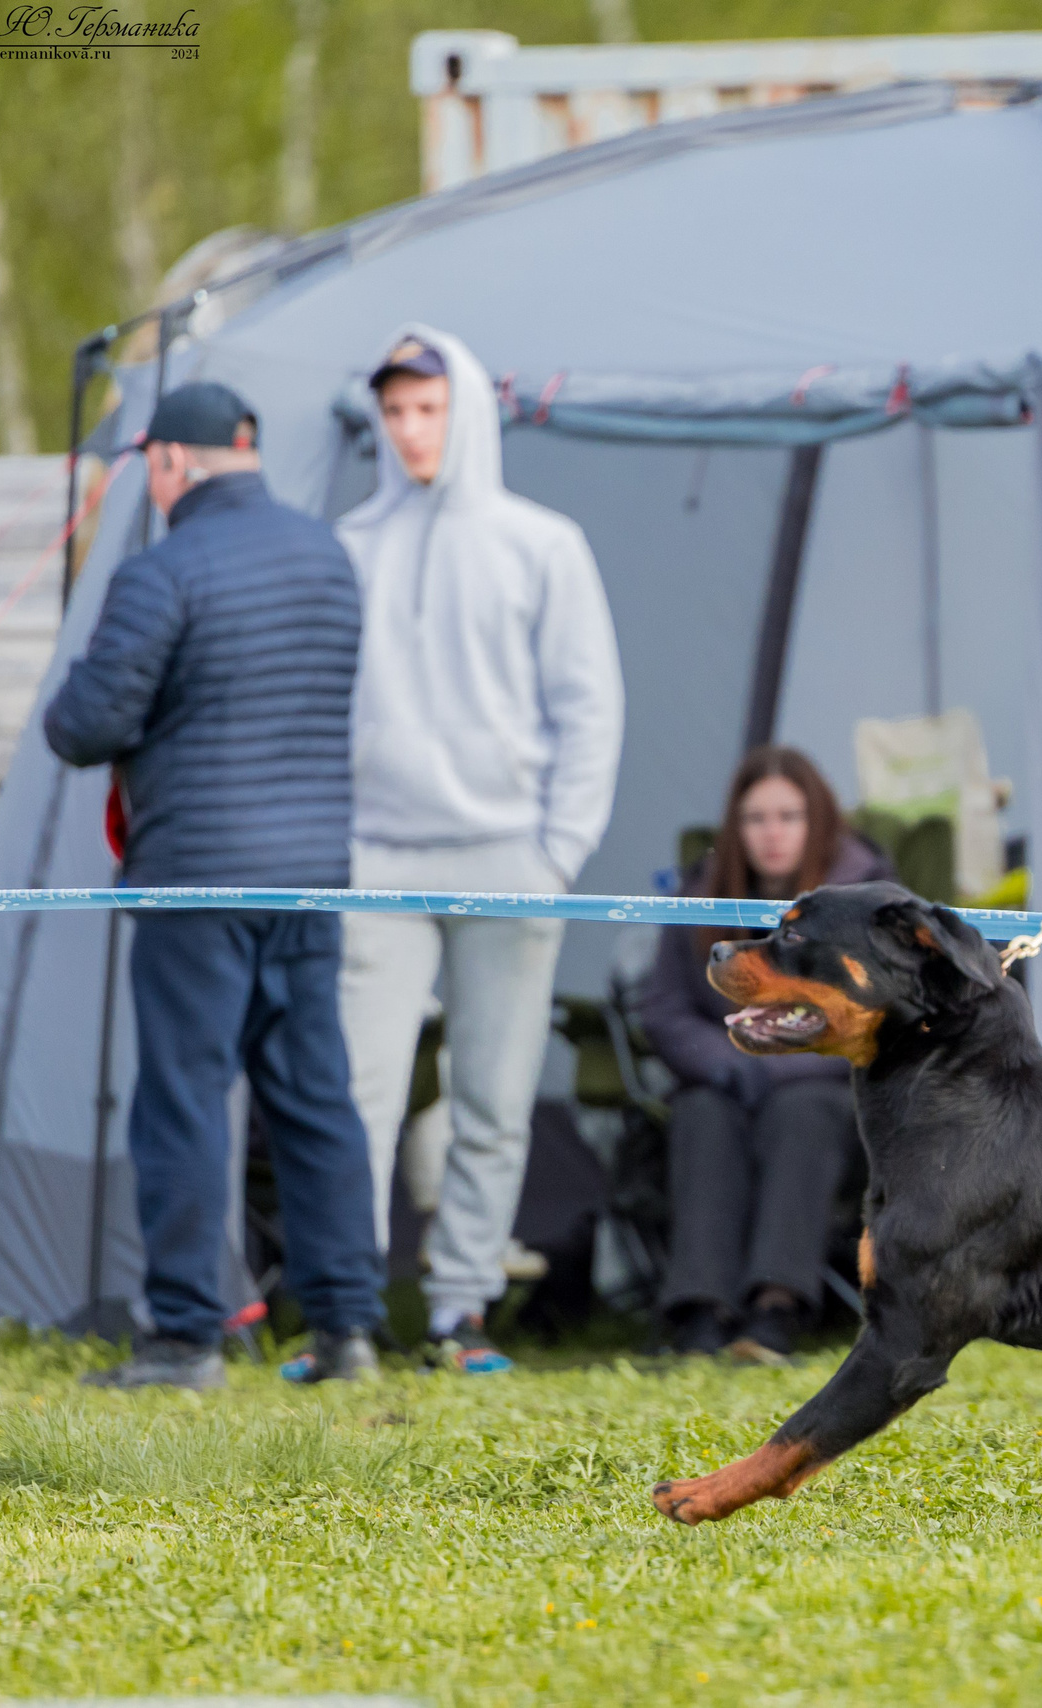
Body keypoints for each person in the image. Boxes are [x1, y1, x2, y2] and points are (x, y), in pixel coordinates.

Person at [44, 381, 384, 1389]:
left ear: (172, 461)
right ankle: (347, 1331)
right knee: (316, 1097)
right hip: (313, 874)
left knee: (186, 1098)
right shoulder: (328, 556)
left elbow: (85, 725)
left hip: (198, 876)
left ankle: (186, 1338)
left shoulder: (163, 569)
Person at [334, 327, 625, 1375]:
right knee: (356, 1094)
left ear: (467, 412)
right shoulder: (351, 543)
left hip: (510, 859)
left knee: (494, 1097)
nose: (412, 430)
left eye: (429, 408)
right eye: (396, 411)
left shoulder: (540, 544)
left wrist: (557, 851)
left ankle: (460, 1312)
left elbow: (590, 706)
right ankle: (348, 1311)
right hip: (377, 864)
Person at [637, 747, 891, 1359]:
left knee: (802, 1111)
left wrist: (773, 1056)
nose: (772, 834)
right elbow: (664, 1008)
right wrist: (727, 1060)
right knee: (702, 1112)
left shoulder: (867, 895)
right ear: (735, 828)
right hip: (721, 1072)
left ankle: (776, 1310)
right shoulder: (701, 895)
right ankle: (701, 1311)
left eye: (789, 816)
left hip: (824, 1080)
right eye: (756, 819)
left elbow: (879, 1006)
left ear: (818, 822)